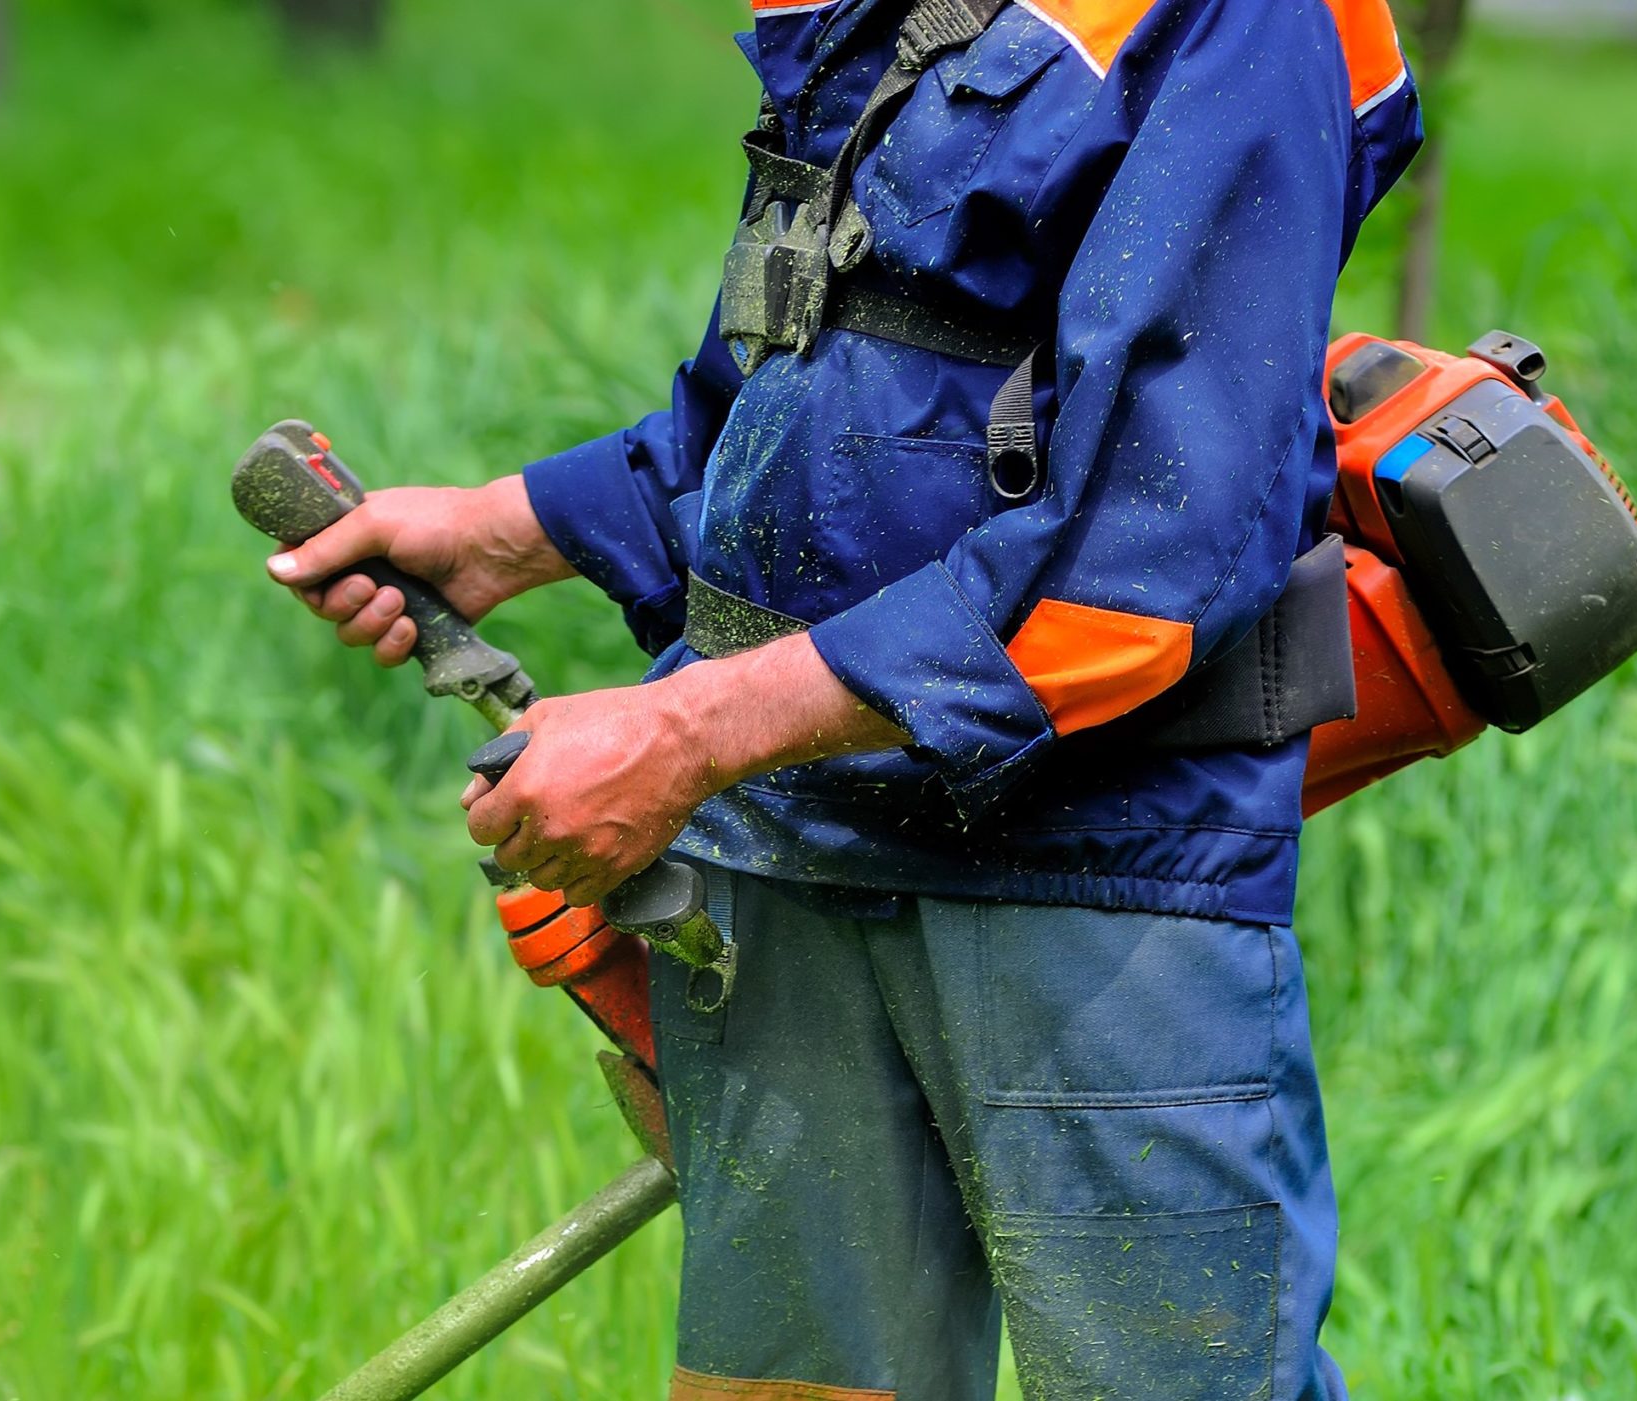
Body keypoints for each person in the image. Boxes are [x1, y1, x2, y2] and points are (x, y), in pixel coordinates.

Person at [269, 0, 1421, 1394]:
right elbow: (809, 373)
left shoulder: (1237, 22)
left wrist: (681, 733)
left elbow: (1145, 554)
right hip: (793, 854)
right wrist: (510, 529)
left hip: (1091, 890)